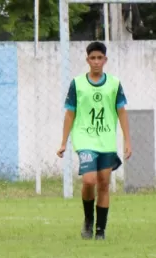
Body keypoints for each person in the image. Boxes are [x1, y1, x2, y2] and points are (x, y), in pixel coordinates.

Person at [57, 41, 132, 240]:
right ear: (87, 60)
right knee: (89, 179)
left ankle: (100, 230)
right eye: (93, 58)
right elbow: (70, 114)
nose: (96, 62)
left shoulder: (114, 84)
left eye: (100, 58)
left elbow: (122, 112)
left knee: (104, 183)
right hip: (84, 138)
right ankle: (88, 220)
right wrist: (64, 141)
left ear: (105, 60)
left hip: (106, 140)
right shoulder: (77, 84)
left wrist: (127, 140)